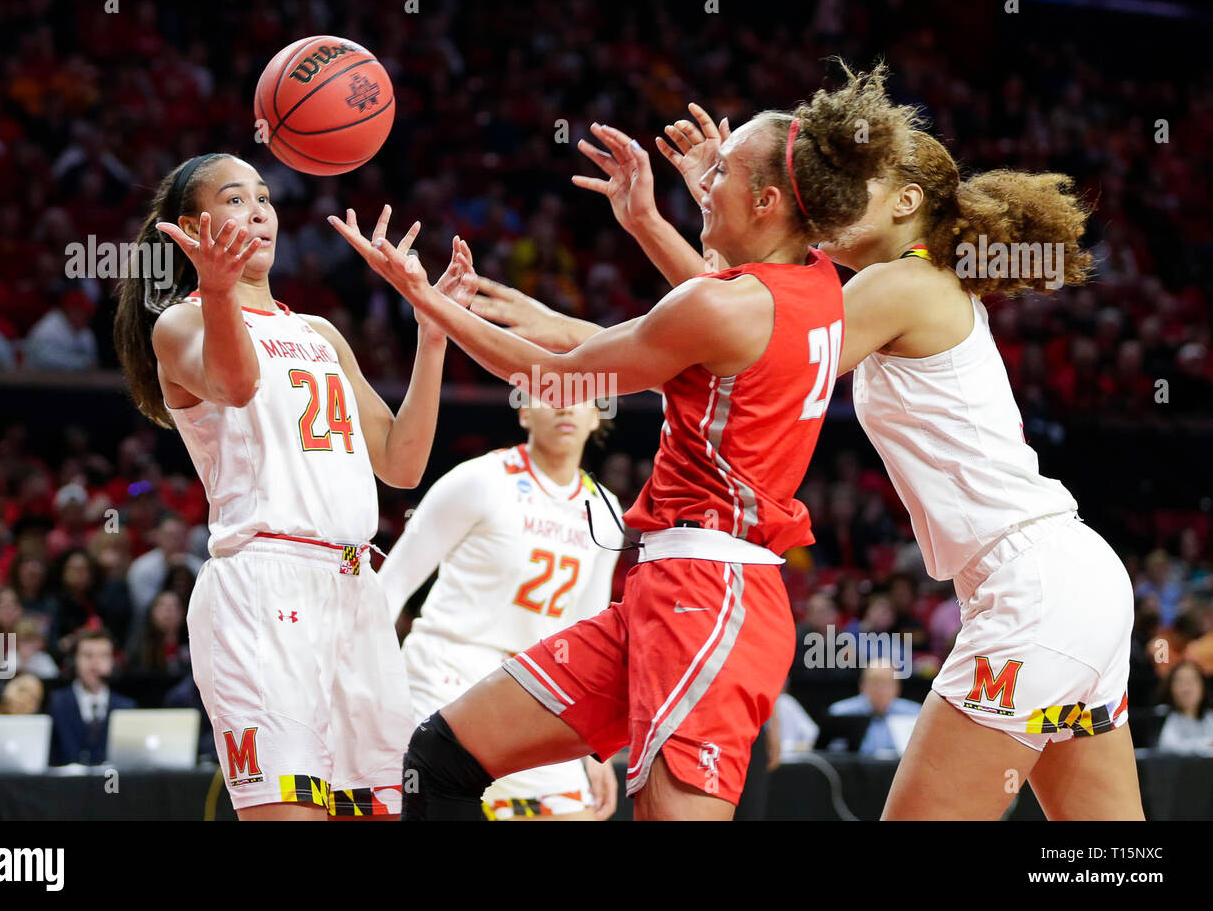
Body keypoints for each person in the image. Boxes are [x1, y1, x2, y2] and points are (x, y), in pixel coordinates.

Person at [533, 88, 1144, 819]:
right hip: (1074, 587)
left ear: (905, 201)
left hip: (1036, 589)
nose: (828, 199)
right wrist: (707, 212)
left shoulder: (905, 283)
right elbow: (740, 318)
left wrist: (675, 222)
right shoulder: (904, 289)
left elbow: (751, 337)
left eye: (858, 183)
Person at [341, 68, 915, 820]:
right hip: (666, 591)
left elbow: (557, 377)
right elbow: (705, 317)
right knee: (439, 761)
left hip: (710, 594)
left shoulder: (727, 307)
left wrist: (425, 303)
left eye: (723, 175)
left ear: (769, 202)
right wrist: (648, 219)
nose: (706, 185)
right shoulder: (816, 282)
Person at [112, 152, 473, 820]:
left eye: (264, 199)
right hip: (261, 591)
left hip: (353, 593)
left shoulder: (320, 334)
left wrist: (432, 335)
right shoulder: (182, 324)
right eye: (234, 199)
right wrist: (219, 291)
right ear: (193, 226)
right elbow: (237, 384)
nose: (256, 211)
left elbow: (401, 464)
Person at [378, 399, 622, 820]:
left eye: (579, 397)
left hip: (534, 689)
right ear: (524, 412)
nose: (566, 407)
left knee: (579, 812)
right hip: (445, 673)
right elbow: (390, 586)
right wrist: (363, 687)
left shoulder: (605, 508)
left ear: (597, 414)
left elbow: (589, 630)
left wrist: (592, 752)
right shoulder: (479, 480)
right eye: (550, 393)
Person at [49, 628, 135, 766]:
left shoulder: (125, 706)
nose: (95, 663)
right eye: (87, 656)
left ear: (112, 662)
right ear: (74, 660)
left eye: (103, 656)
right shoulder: (56, 703)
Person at [827, 662, 922, 755]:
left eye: (887, 683)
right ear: (862, 685)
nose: (881, 689)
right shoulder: (840, 713)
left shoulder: (915, 714)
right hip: (854, 770)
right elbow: (832, 754)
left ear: (897, 687)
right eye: (875, 682)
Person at [1155, 660, 1213, 754]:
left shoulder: (1210, 718)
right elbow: (1168, 748)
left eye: (1191, 681)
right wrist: (1205, 744)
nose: (1186, 688)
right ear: (1171, 688)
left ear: (1203, 686)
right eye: (1180, 681)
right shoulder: (1162, 719)